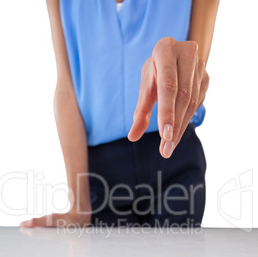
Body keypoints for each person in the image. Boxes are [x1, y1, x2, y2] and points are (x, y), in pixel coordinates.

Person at [20, 0, 220, 229]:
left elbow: (195, 77)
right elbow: (67, 89)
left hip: (173, 155)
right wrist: (79, 206)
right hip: (101, 173)